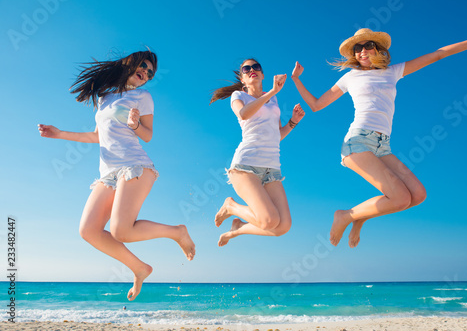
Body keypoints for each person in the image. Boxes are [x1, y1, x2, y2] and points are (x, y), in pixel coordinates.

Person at [291, 22, 467, 248]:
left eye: (367, 45)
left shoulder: (393, 71)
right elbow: (316, 105)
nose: (361, 51)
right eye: (357, 48)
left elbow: (438, 55)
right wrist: (296, 80)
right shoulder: (350, 77)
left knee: (417, 195)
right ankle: (346, 215)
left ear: (378, 49)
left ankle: (360, 217)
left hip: (383, 146)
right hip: (357, 142)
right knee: (400, 197)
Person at [38, 51, 196, 300]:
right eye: (143, 66)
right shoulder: (105, 97)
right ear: (130, 64)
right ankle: (140, 268)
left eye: (150, 73)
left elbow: (148, 135)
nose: (146, 72)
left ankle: (177, 232)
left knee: (120, 231)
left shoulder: (143, 96)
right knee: (88, 231)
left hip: (134, 166)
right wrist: (60, 134)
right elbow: (97, 136)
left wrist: (134, 125)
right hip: (108, 173)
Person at [210, 58, 305, 246]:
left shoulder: (273, 100)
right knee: (269, 220)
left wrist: (293, 122)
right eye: (246, 69)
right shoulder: (238, 96)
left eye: (256, 67)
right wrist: (272, 91)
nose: (251, 69)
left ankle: (235, 230)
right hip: (246, 166)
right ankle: (231, 206)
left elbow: (276, 135)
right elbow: (244, 114)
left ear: (262, 74)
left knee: (283, 226)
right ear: (243, 79)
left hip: (271, 169)